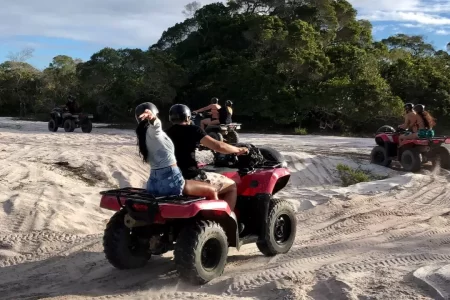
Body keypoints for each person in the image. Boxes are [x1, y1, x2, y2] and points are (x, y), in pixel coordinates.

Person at [165, 103, 248, 212]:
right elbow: (219, 146)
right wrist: (239, 150)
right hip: (190, 177)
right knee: (232, 186)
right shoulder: (193, 130)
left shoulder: (166, 133)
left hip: (172, 178)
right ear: (188, 117)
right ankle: (226, 220)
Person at [134, 102, 218, 200]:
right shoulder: (155, 132)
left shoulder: (143, 136)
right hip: (171, 182)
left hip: (153, 184)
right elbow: (156, 125)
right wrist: (152, 118)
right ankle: (216, 215)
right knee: (213, 190)